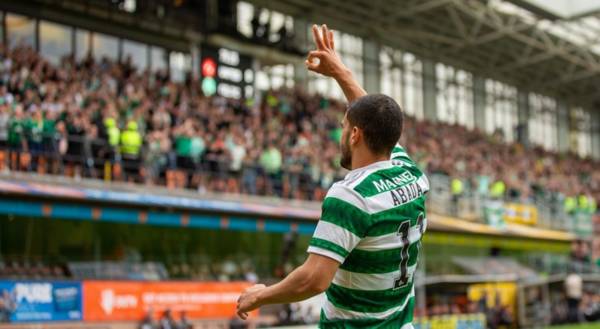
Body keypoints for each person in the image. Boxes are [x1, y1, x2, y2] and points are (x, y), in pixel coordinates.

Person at [236, 24, 429, 328]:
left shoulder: (352, 196)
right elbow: (375, 116)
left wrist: (260, 296)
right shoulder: (411, 173)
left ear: (354, 135)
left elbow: (313, 280)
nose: (339, 132)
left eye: (342, 125)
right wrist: (340, 71)